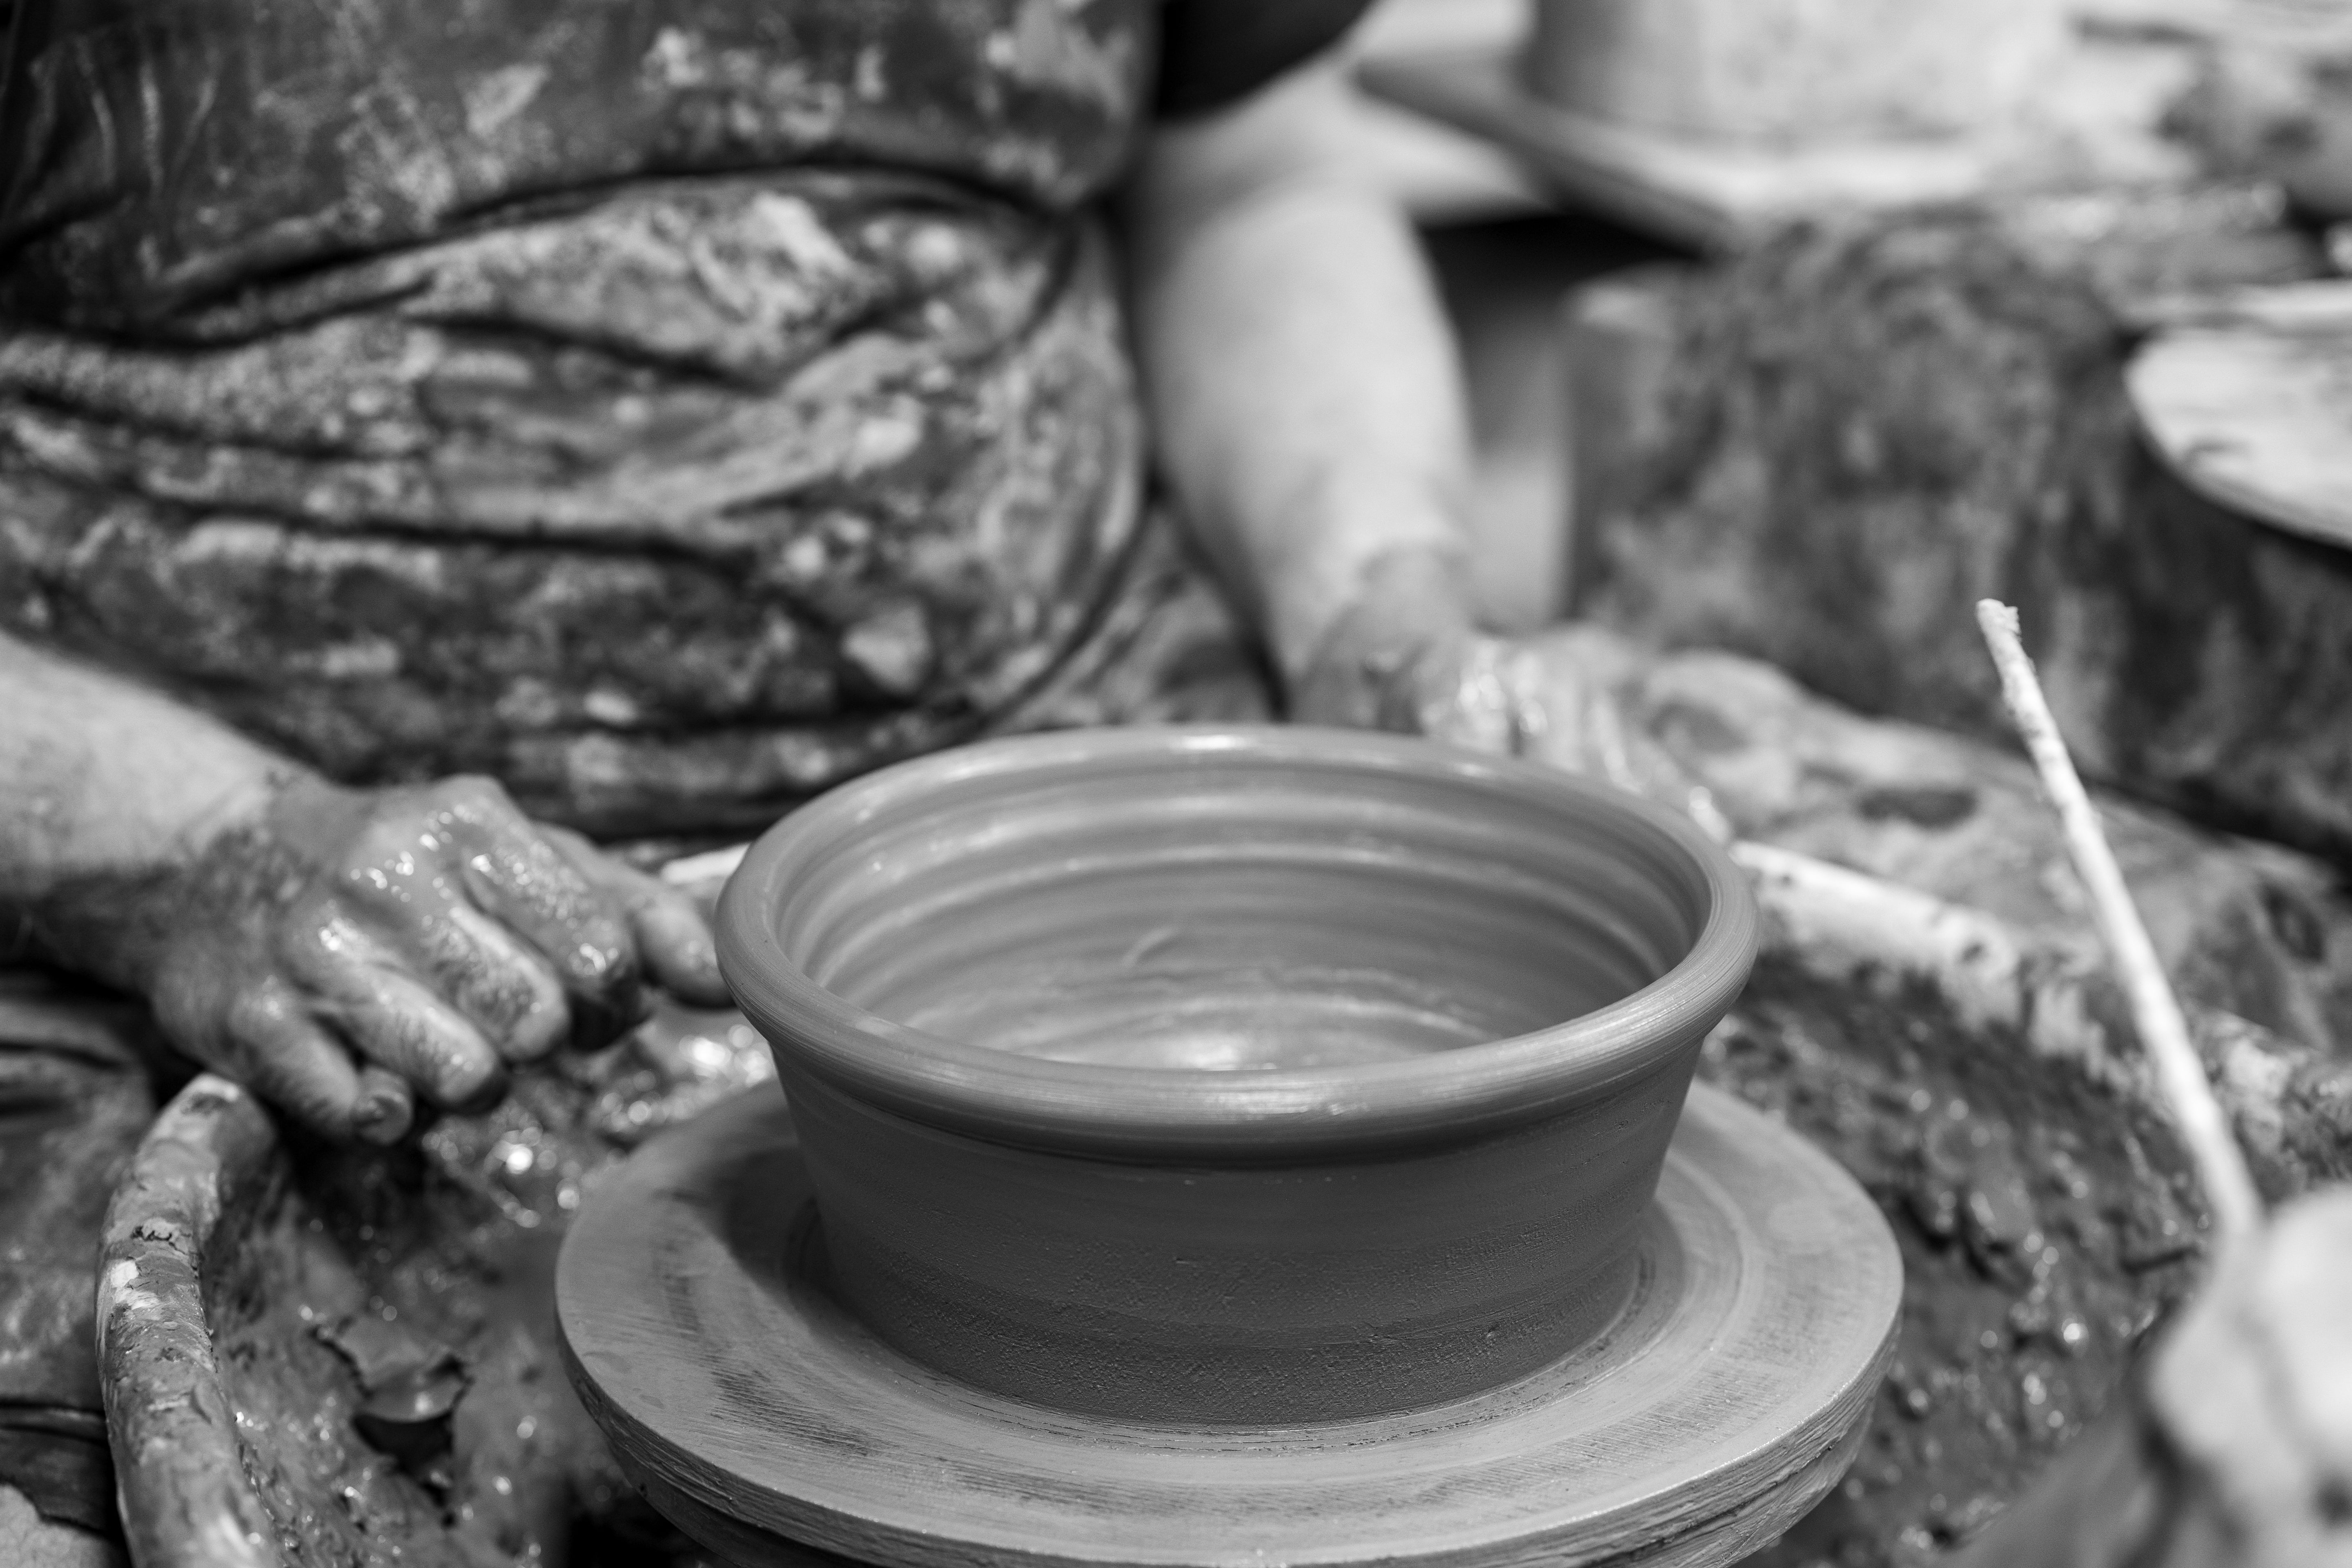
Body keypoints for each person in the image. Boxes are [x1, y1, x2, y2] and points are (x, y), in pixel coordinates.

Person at [0, 0, 1532, 1148]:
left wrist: (1373, 594)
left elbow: (1250, 188)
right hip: (237, 891)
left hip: (1086, 797)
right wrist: (198, 853)